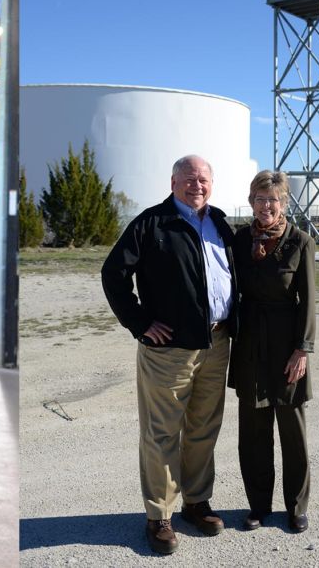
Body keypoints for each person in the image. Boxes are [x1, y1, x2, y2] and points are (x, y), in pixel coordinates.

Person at [101, 155, 237, 555]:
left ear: (212, 184)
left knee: (203, 428)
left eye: (204, 179)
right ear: (174, 181)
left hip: (216, 342)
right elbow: (113, 273)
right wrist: (139, 322)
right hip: (169, 351)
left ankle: (197, 502)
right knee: (161, 433)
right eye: (189, 178)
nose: (197, 185)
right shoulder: (152, 223)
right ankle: (159, 515)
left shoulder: (221, 223)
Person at [229, 170, 314, 533]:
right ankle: (258, 506)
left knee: (292, 431)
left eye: (273, 200)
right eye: (260, 199)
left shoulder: (300, 242)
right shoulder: (239, 241)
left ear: (284, 203)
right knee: (253, 432)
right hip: (249, 341)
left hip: (287, 342)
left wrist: (303, 349)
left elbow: (308, 300)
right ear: (251, 201)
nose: (266, 206)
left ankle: (296, 507)